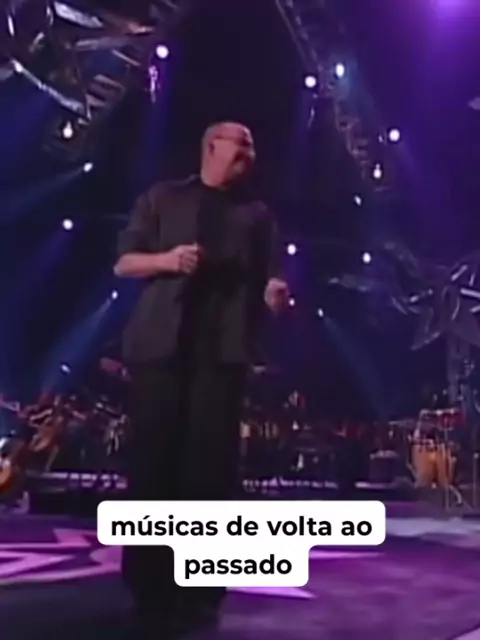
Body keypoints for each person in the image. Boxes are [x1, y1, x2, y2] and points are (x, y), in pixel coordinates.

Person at [114, 122, 289, 636]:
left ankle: (201, 593)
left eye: (253, 144)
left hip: (223, 354)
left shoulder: (257, 215)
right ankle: (149, 592)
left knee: (211, 476)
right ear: (212, 146)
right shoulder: (164, 197)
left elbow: (269, 277)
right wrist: (166, 260)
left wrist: (275, 294)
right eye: (242, 141)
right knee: (152, 470)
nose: (250, 151)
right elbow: (124, 263)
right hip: (161, 349)